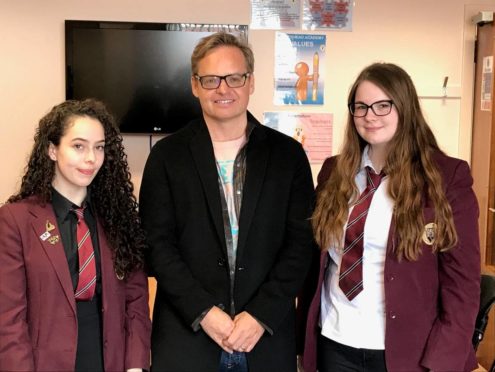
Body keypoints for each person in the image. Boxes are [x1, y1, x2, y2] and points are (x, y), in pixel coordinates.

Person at [139, 32, 315, 372]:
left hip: (264, 339)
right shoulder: (166, 156)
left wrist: (262, 314)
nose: (223, 89)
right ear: (194, 85)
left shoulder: (287, 156)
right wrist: (205, 313)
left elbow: (300, 244)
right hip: (187, 338)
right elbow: (158, 246)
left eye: (234, 78)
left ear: (250, 82)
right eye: (211, 79)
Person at [300, 62, 480, 372]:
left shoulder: (446, 176)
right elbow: (317, 262)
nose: (370, 116)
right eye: (361, 106)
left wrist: (443, 361)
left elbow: (462, 284)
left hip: (407, 352)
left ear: (405, 107)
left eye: (383, 105)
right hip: (335, 341)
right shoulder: (333, 172)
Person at [0, 99, 151, 372]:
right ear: (52, 150)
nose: (91, 158)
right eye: (78, 146)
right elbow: (8, 318)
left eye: (99, 148)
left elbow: (136, 299)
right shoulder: (16, 221)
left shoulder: (118, 217)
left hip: (111, 361)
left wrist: (136, 365)